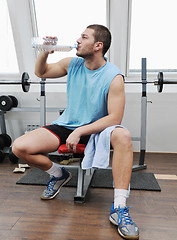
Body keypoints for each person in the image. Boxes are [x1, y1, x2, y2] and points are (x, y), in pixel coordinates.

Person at [12, 24, 139, 239]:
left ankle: (119, 208)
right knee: (19, 147)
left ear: (98, 45)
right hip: (67, 124)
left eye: (84, 37)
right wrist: (45, 49)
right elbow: (40, 72)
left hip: (98, 128)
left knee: (123, 135)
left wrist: (81, 131)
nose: (78, 40)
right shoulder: (73, 64)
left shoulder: (114, 76)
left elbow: (114, 118)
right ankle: (58, 174)